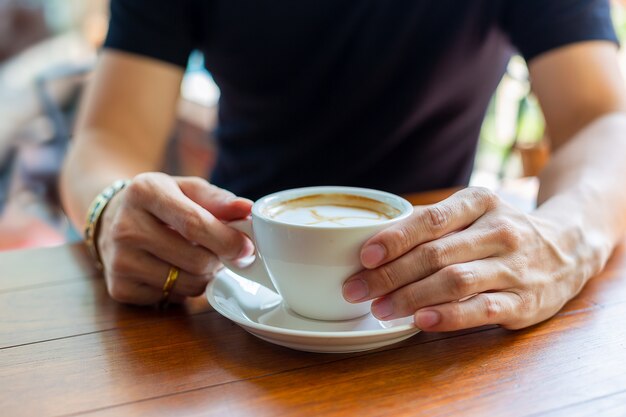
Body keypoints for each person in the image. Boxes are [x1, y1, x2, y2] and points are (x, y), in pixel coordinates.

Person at [60, 0, 626, 332]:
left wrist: (569, 234)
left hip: (438, 303)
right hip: (230, 288)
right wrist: (111, 210)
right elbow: (106, 140)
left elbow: (604, 119)